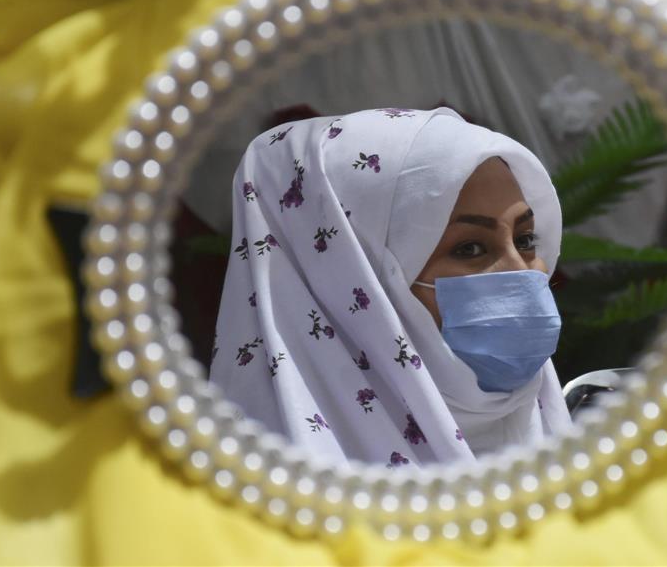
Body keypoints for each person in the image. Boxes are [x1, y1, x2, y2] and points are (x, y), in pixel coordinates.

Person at [209, 107, 573, 467]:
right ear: (355, 279)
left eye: (526, 241)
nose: (520, 272)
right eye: (470, 248)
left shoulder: (556, 439)